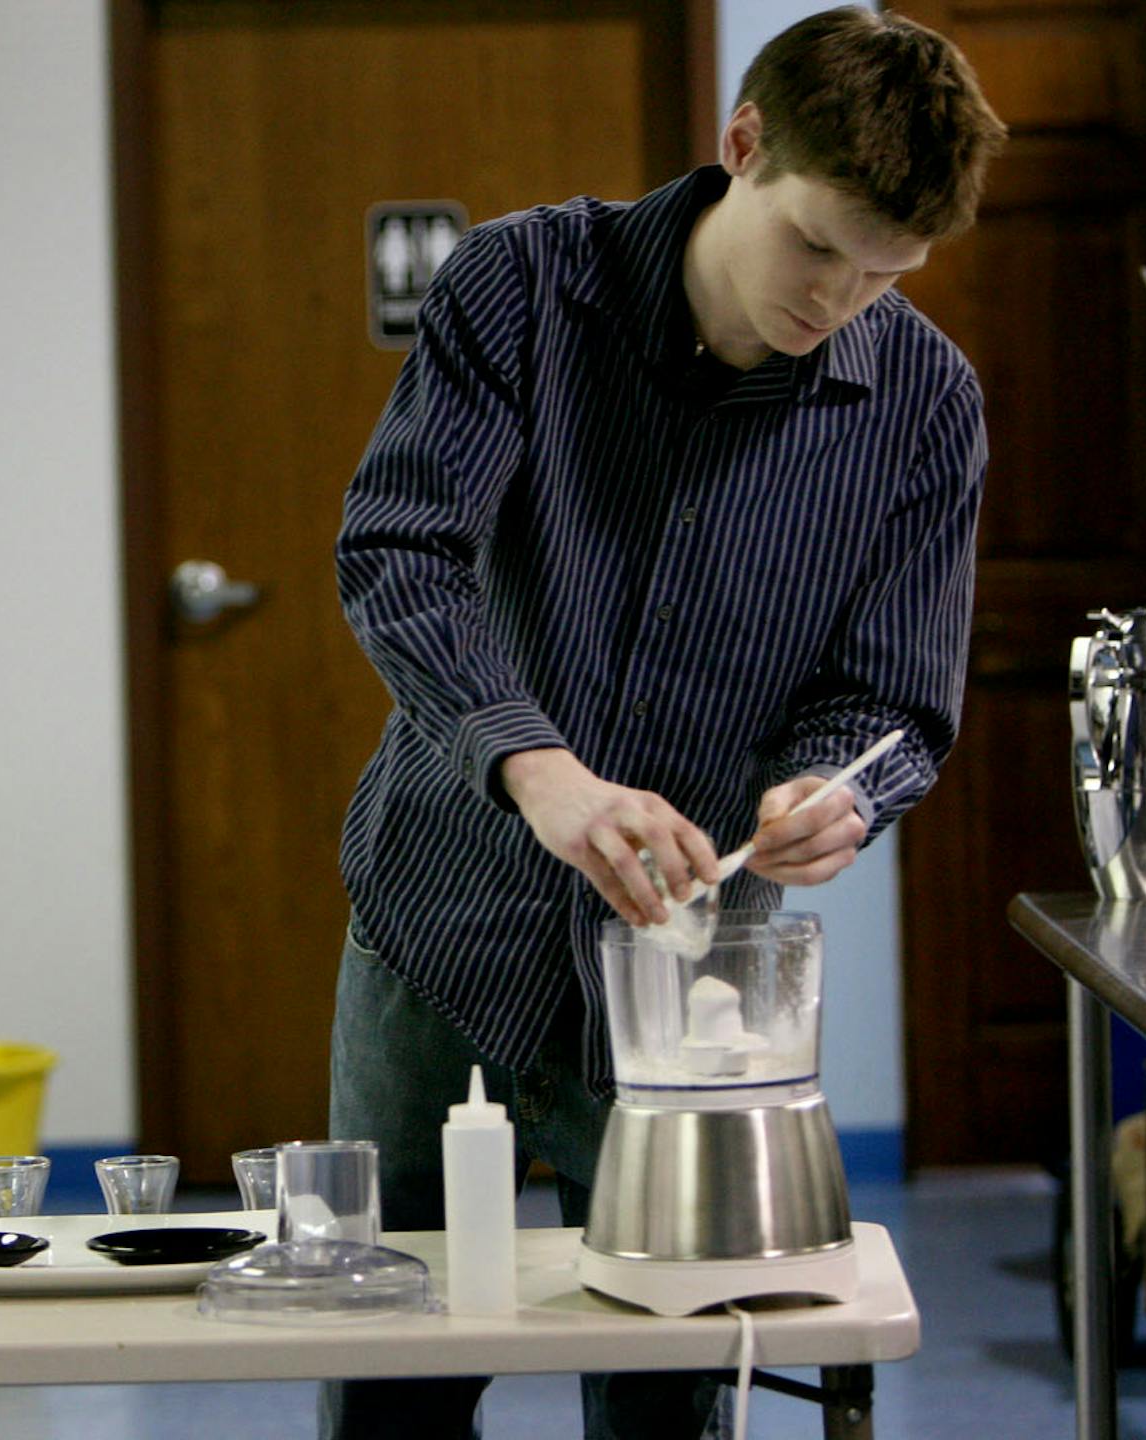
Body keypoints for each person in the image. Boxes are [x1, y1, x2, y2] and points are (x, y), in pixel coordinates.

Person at [326, 7, 1006, 1437]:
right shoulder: (523, 286)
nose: (840, 300)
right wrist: (545, 772)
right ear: (741, 145)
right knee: (392, 1379)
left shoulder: (925, 407)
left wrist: (841, 788)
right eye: (819, 246)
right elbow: (401, 551)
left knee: (670, 1403)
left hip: (687, 998)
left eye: (888, 273)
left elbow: (889, 700)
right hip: (444, 919)